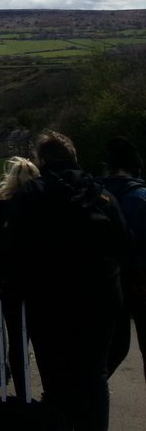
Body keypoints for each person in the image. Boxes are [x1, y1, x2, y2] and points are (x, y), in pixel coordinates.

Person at [5, 131, 129, 431]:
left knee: (55, 375)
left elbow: (13, 249)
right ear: (74, 157)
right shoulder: (101, 196)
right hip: (100, 297)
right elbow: (124, 243)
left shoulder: (30, 195)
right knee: (94, 375)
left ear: (42, 161)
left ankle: (62, 420)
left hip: (49, 300)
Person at [0, 156, 39, 401]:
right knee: (42, 336)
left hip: (9, 282)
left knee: (16, 338)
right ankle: (51, 397)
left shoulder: (0, 207)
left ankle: (22, 394)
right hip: (40, 282)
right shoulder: (44, 205)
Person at [98, 136, 146, 380]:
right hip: (138, 284)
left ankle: (84, 396)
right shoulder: (141, 198)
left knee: (106, 353)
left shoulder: (93, 195)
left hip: (102, 283)